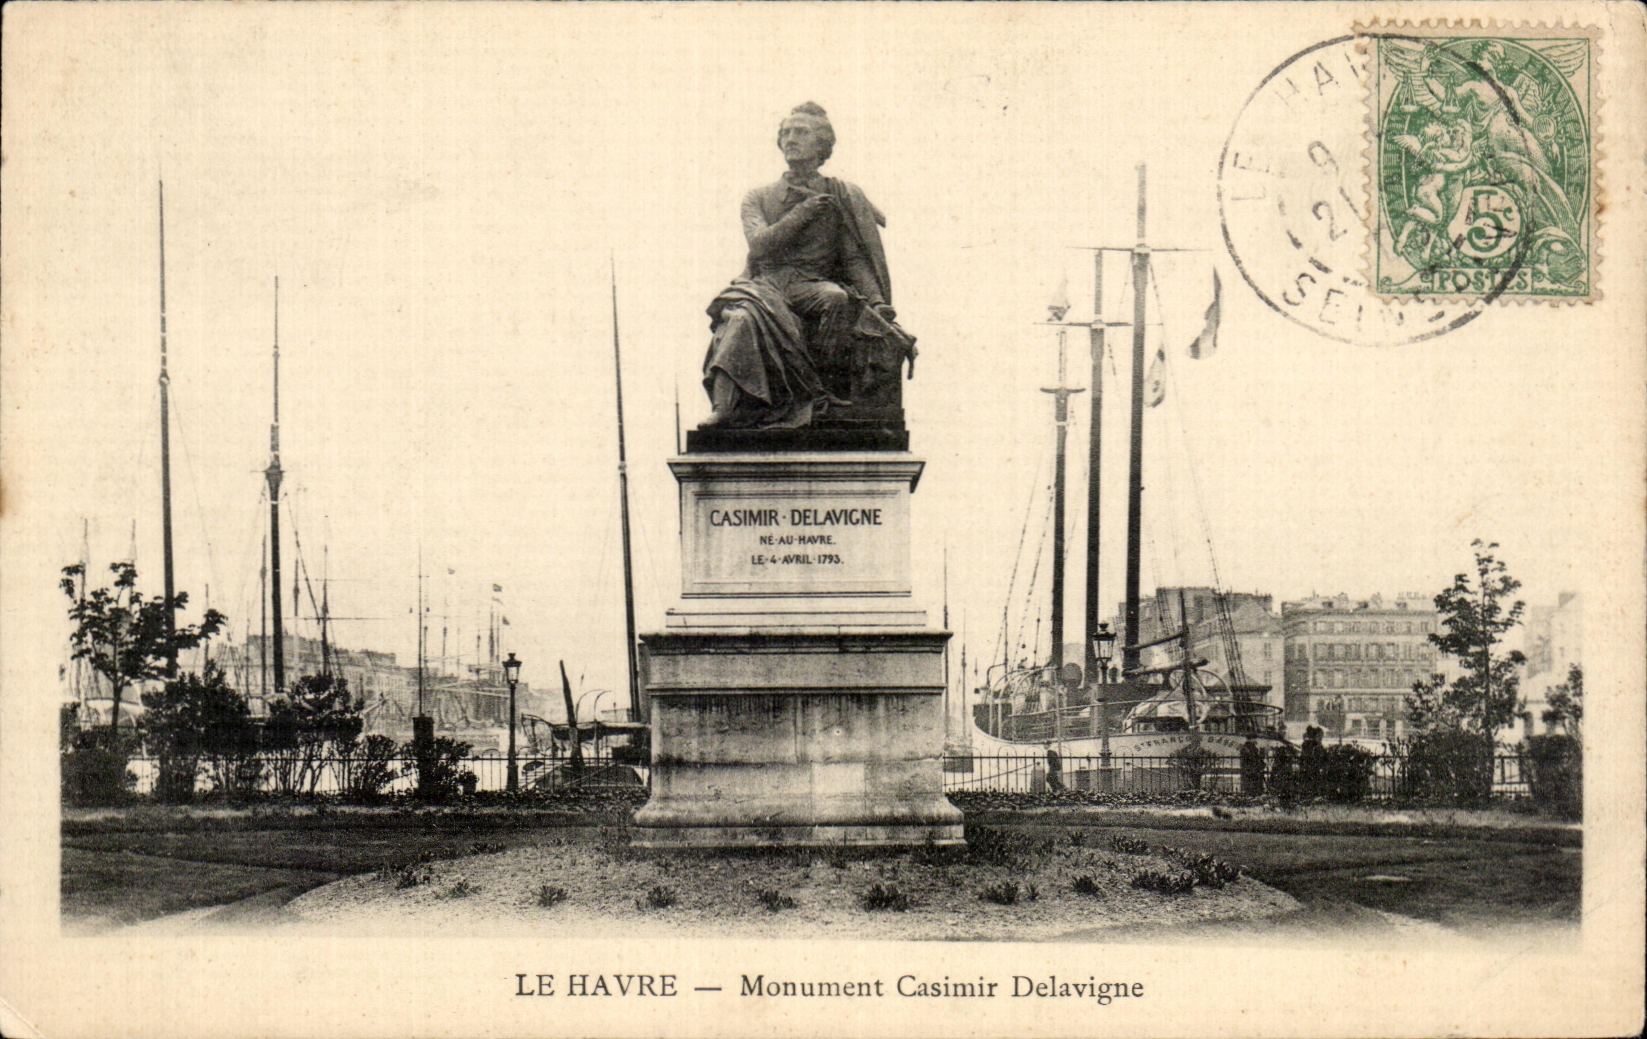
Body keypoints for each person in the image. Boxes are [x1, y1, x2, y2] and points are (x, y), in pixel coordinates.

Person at [701, 102, 900, 429]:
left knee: (836, 298)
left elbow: (853, 259)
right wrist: (803, 212)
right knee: (739, 318)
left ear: (822, 144)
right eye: (787, 132)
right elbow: (760, 244)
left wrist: (878, 303)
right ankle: (725, 407)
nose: (791, 139)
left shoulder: (839, 196)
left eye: (802, 132)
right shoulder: (758, 197)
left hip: (812, 285)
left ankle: (825, 394)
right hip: (765, 285)